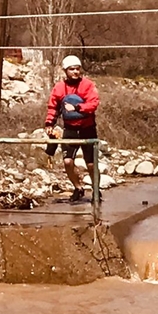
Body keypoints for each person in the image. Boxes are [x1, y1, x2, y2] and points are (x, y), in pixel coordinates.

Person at [44, 55, 99, 203]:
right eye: (71, 69)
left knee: (91, 164)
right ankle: (78, 188)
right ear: (65, 71)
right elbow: (53, 107)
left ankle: (96, 189)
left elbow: (93, 104)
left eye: (77, 69)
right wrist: (49, 123)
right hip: (70, 129)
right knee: (68, 162)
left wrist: (77, 107)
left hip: (88, 129)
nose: (75, 72)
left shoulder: (87, 85)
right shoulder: (59, 88)